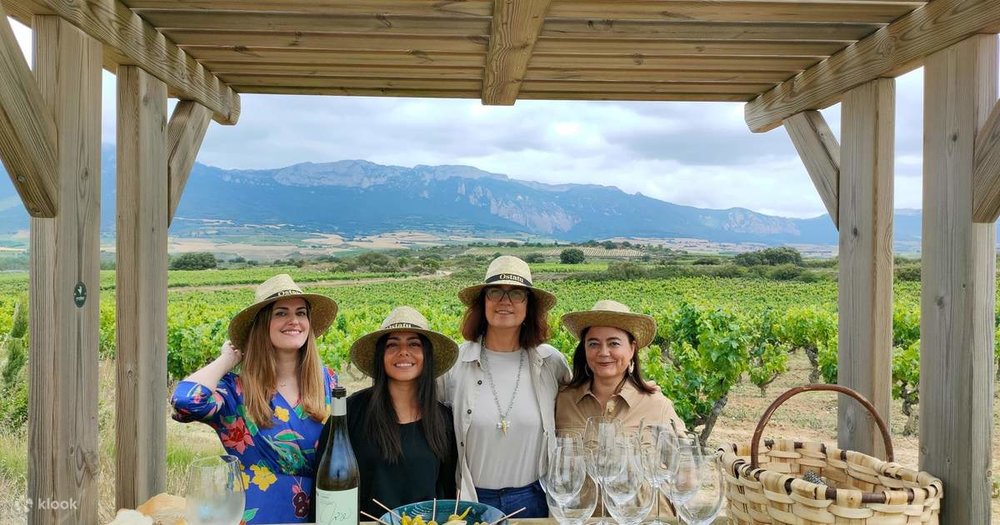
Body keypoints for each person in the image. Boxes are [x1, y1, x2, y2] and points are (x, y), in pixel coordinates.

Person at [171, 274, 339, 524]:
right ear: (263, 325)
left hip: (322, 516)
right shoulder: (236, 391)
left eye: (301, 313)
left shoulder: (328, 382)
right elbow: (185, 402)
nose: (293, 321)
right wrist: (228, 360)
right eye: (281, 313)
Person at [438, 255, 570, 518]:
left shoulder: (551, 363)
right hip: (472, 500)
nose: (504, 301)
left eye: (517, 294)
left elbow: (584, 401)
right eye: (495, 291)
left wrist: (634, 384)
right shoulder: (455, 364)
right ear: (483, 303)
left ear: (528, 306)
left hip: (534, 498)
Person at [316, 306, 459, 521]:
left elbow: (447, 493)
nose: (403, 351)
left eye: (414, 344)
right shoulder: (350, 414)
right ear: (381, 356)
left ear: (426, 355)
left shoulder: (443, 421)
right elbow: (324, 494)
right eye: (392, 345)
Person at [555, 299, 686, 434]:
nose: (604, 353)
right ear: (584, 349)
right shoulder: (563, 401)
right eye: (593, 344)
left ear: (632, 349)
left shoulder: (657, 406)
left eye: (614, 343)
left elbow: (685, 452)